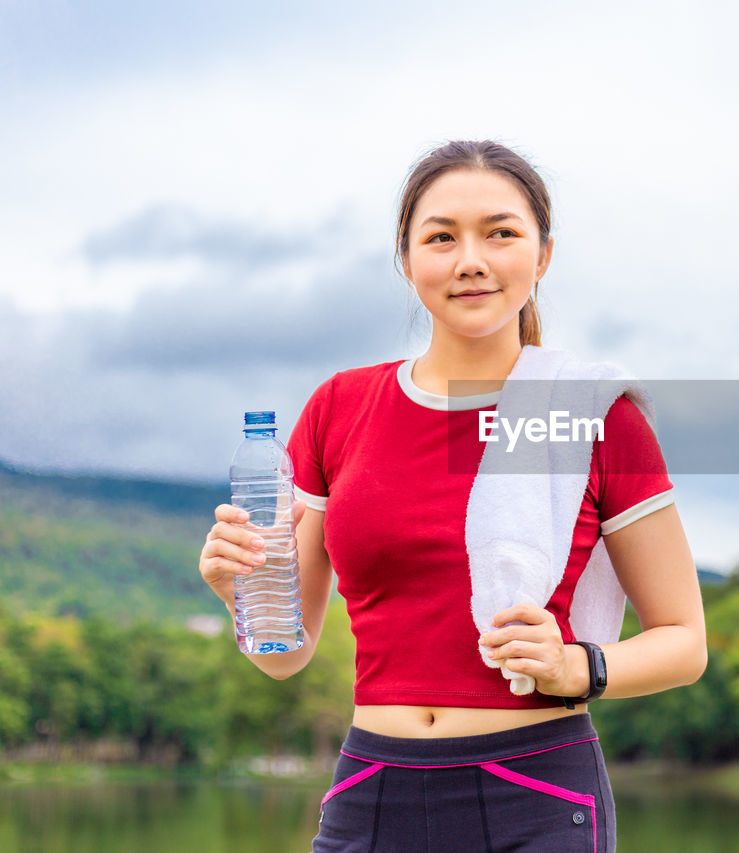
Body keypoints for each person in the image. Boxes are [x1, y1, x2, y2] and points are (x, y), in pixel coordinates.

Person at [196, 139, 706, 852]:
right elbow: (286, 654)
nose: (471, 259)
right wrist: (239, 593)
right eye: (442, 237)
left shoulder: (594, 416)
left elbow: (684, 641)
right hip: (371, 788)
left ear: (543, 254)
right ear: (407, 260)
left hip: (537, 789)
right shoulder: (339, 408)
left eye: (501, 232)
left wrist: (576, 665)